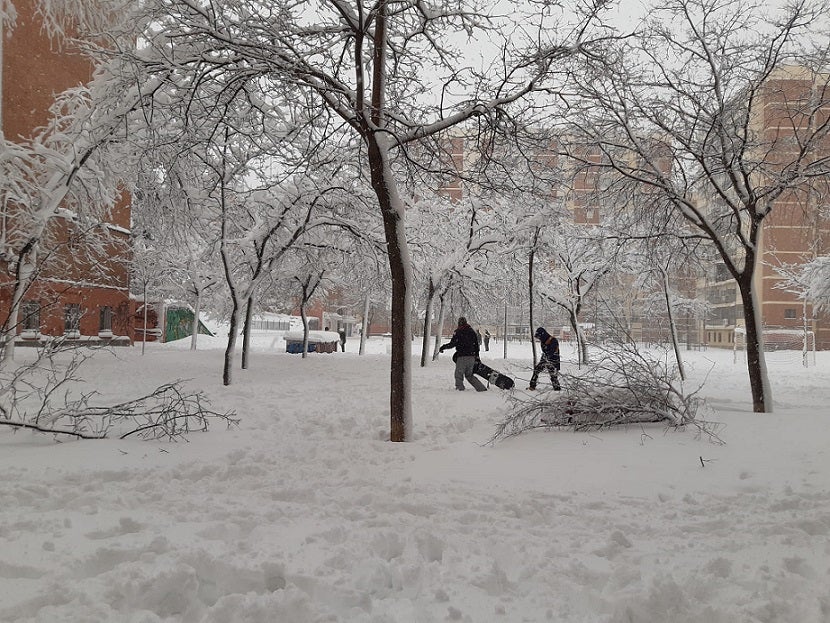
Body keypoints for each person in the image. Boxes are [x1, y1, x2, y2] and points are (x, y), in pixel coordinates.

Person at [439, 316, 487, 392]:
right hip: (471, 356)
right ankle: (481, 388)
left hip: (462, 356)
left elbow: (452, 344)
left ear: (459, 323)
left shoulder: (458, 332)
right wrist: (477, 356)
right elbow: (476, 345)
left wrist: (443, 347)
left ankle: (460, 389)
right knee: (469, 375)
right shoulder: (472, 331)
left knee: (458, 374)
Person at [528, 327, 561, 391]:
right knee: (536, 370)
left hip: (554, 361)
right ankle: (532, 386)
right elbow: (544, 352)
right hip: (545, 359)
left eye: (539, 337)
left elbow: (552, 352)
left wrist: (546, 359)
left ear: (543, 335)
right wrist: (542, 361)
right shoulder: (543, 342)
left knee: (553, 376)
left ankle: (557, 389)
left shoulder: (553, 340)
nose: (539, 339)